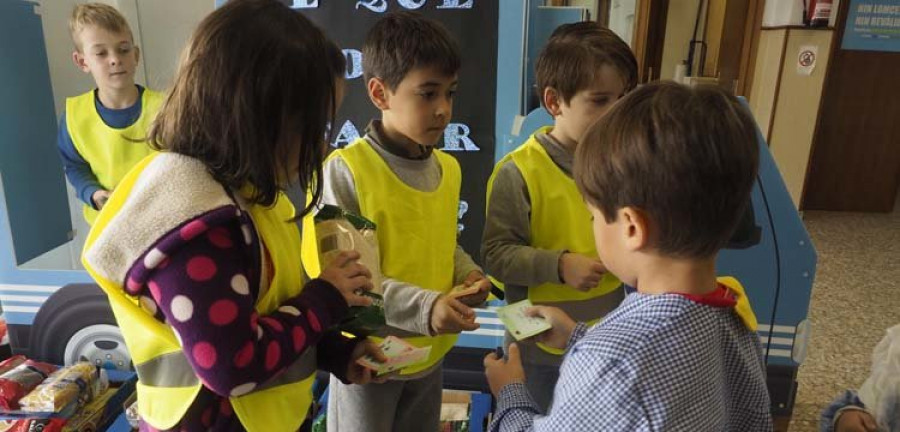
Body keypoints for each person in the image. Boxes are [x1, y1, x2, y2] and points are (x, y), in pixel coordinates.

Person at [81, 1, 384, 430]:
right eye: (314, 129)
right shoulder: (195, 222)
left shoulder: (250, 198)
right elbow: (233, 366)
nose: (321, 148)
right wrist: (326, 300)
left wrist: (336, 350)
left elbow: (269, 311)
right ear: (260, 116)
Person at [484, 82, 773, 431]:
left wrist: (511, 393)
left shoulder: (608, 361)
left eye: (594, 216)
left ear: (632, 227)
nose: (593, 225)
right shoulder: (736, 319)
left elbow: (621, 372)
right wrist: (578, 337)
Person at [322, 11, 491, 432]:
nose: (443, 110)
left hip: (429, 354)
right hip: (369, 360)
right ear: (380, 92)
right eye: (428, 93)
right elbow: (353, 282)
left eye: (450, 93)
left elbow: (438, 241)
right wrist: (428, 306)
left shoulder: (448, 169)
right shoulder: (348, 170)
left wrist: (467, 271)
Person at [481, 21, 637, 411]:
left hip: (603, 339)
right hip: (537, 345)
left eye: (623, 98)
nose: (615, 113)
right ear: (554, 102)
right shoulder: (517, 173)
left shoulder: (625, 165)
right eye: (600, 101)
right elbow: (496, 254)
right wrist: (559, 265)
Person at [58, 3, 164, 225]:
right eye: (101, 53)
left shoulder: (165, 108)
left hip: (159, 221)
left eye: (123, 50)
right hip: (108, 226)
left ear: (135, 55)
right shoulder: (74, 117)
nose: (115, 59)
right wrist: (93, 193)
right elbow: (74, 166)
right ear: (82, 61)